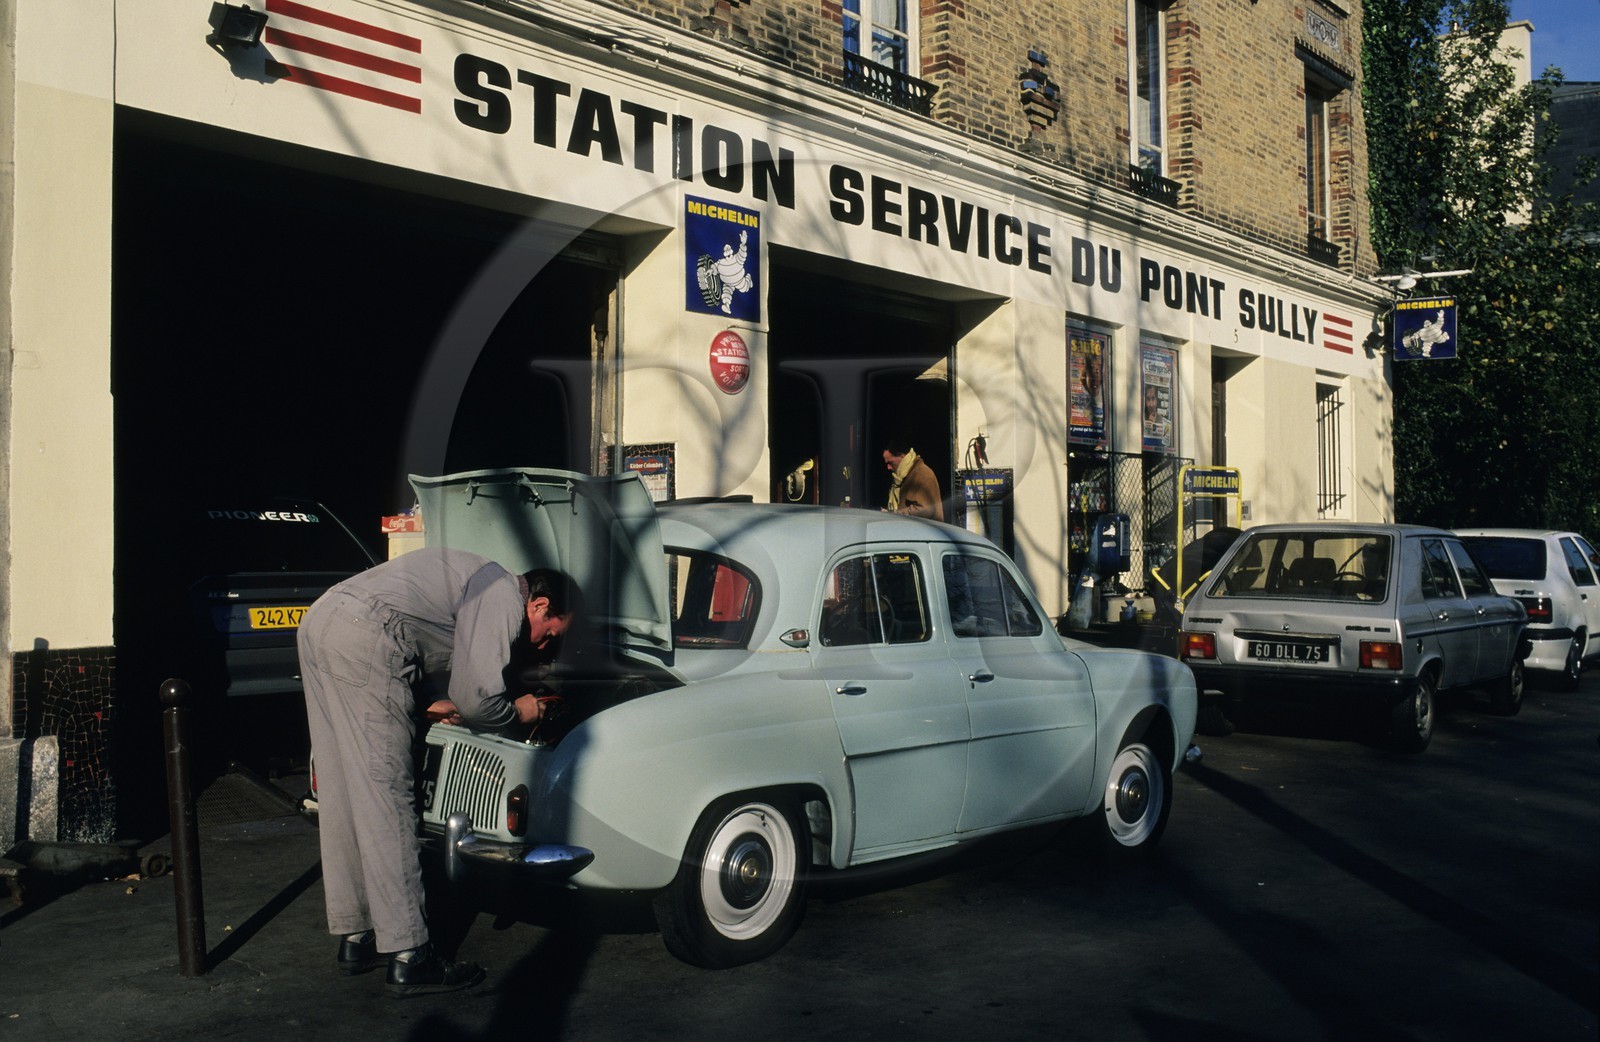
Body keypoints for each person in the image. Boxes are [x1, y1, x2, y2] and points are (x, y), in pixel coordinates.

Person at [297, 547, 581, 997]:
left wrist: (438, 702)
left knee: (344, 788)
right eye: (550, 634)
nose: (544, 645)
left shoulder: (475, 576)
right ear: (541, 605)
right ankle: (411, 955)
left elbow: (432, 651)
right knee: (384, 794)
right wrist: (521, 712)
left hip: (322, 619)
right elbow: (477, 699)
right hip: (366, 633)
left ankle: (359, 935)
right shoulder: (503, 592)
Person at [882, 437, 944, 521]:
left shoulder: (922, 474)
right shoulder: (900, 476)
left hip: (922, 532)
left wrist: (895, 514)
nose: (888, 467)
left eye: (890, 462)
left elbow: (926, 509)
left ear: (902, 455)